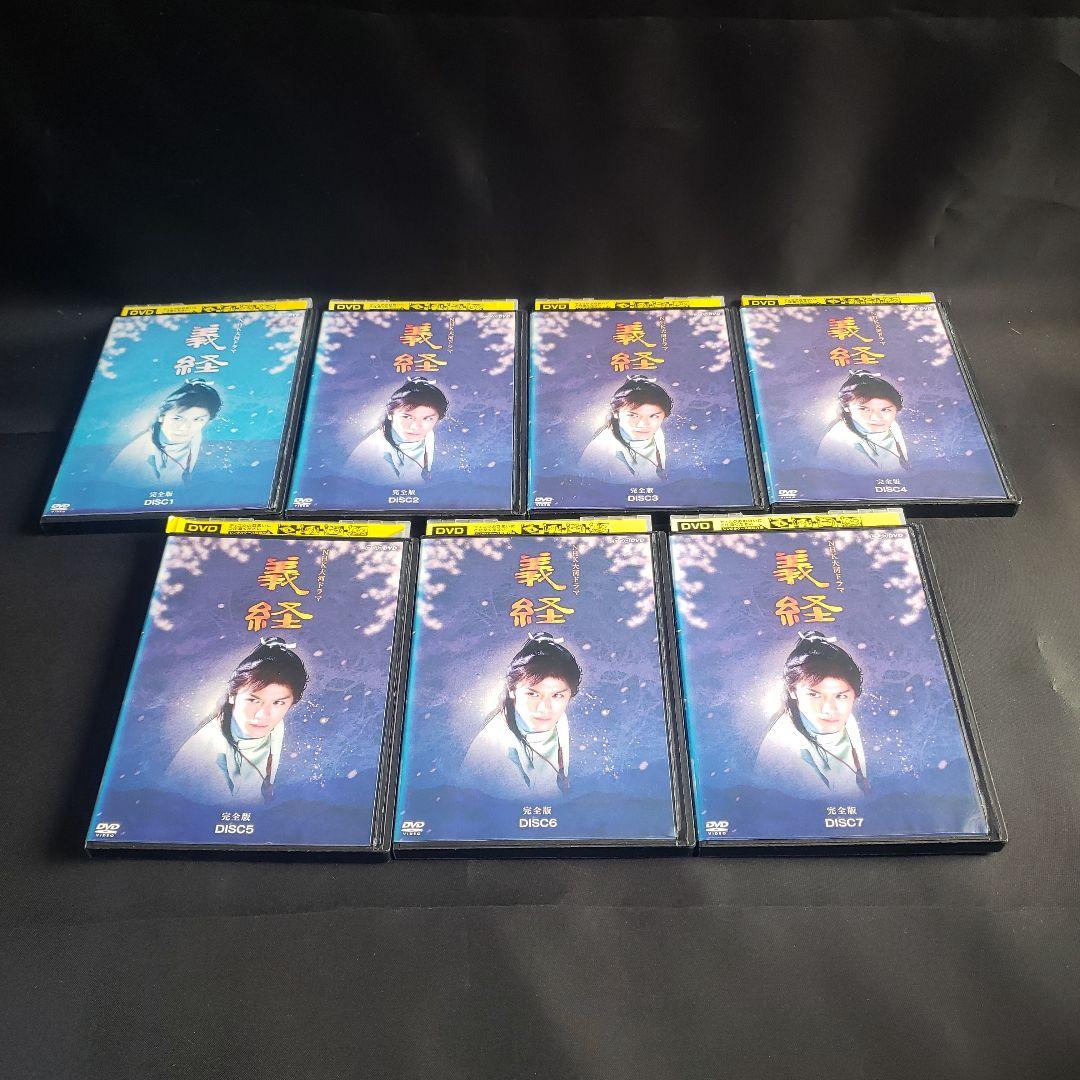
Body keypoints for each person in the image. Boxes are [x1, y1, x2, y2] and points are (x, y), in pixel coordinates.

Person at [167, 637, 308, 801]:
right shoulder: (207, 761)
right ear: (232, 696)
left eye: (278, 702)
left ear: (291, 703)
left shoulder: (273, 723)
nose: (263, 714)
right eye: (253, 700)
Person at [460, 633, 581, 799]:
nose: (544, 708)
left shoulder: (559, 719)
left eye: (557, 695)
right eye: (532, 694)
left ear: (570, 695)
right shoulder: (494, 754)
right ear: (512, 690)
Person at [754, 632, 871, 798]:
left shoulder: (847, 720)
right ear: (792, 691)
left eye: (840, 696)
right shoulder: (784, 755)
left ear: (854, 695)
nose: (828, 709)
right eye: (814, 695)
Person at [106, 380, 222, 485]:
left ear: (208, 420)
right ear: (161, 416)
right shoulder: (137, 460)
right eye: (177, 418)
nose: (185, 428)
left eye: (197, 420)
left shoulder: (195, 432)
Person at [344, 377, 449, 482]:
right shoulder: (375, 455)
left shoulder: (427, 434)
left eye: (428, 419)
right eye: (407, 417)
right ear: (390, 414)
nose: (416, 427)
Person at [577, 375, 673, 482]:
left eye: (653, 416)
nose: (643, 424)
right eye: (633, 415)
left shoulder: (657, 433)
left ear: (664, 416)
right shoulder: (602, 454)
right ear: (616, 413)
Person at [816, 370, 909, 473]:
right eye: (864, 409)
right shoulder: (840, 443)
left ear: (896, 408)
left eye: (885, 409)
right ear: (846, 407)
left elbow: (904, 465)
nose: (876, 418)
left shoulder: (892, 426)